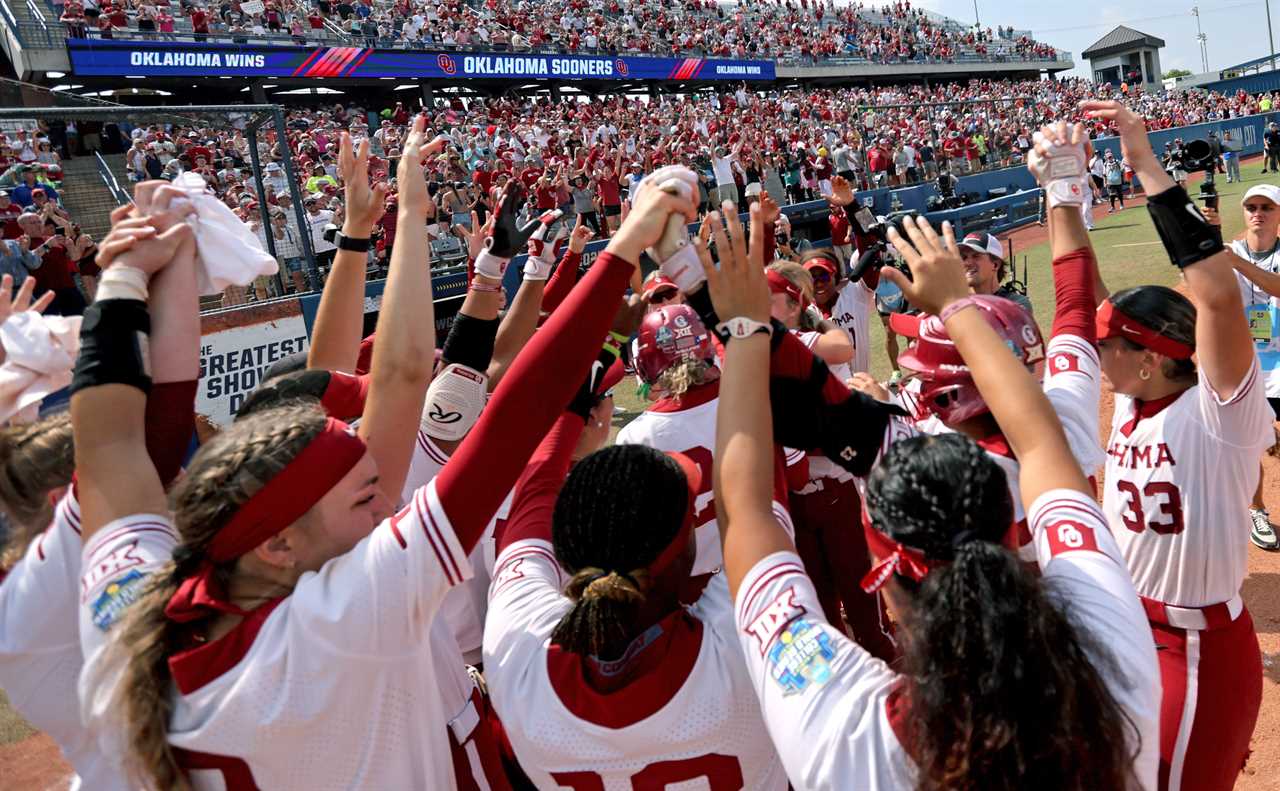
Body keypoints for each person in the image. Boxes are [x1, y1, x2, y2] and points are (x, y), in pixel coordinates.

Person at [74, 143, 698, 790]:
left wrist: (140, 269)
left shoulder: (141, 611)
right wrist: (622, 247)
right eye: (366, 497)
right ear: (279, 541)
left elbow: (119, 447)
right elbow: (492, 413)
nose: (388, 507)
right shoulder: (342, 615)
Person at [708, 201, 1158, 790]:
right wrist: (960, 301)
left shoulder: (844, 724)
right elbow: (1048, 415)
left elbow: (749, 512)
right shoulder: (1107, 636)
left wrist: (741, 328)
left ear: (885, 573)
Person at [1085, 99, 1273, 791]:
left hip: (1196, 650)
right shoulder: (1134, 399)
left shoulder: (1218, 410)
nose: (1097, 348)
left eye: (1113, 342)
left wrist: (1142, 161)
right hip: (1123, 630)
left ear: (1153, 356)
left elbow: (1218, 299)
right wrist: (1065, 195)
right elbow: (1089, 296)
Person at [1223, 183, 1280, 551]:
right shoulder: (1226, 253)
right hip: (1247, 366)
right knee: (1246, 446)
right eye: (1251, 207)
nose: (1257, 212)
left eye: (1267, 207)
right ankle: (1256, 509)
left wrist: (1237, 264)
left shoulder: (1236, 257)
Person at [957, 231, 1033, 315]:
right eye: (964, 258)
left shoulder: (1016, 304)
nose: (967, 263)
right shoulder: (957, 305)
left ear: (995, 265)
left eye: (976, 256)